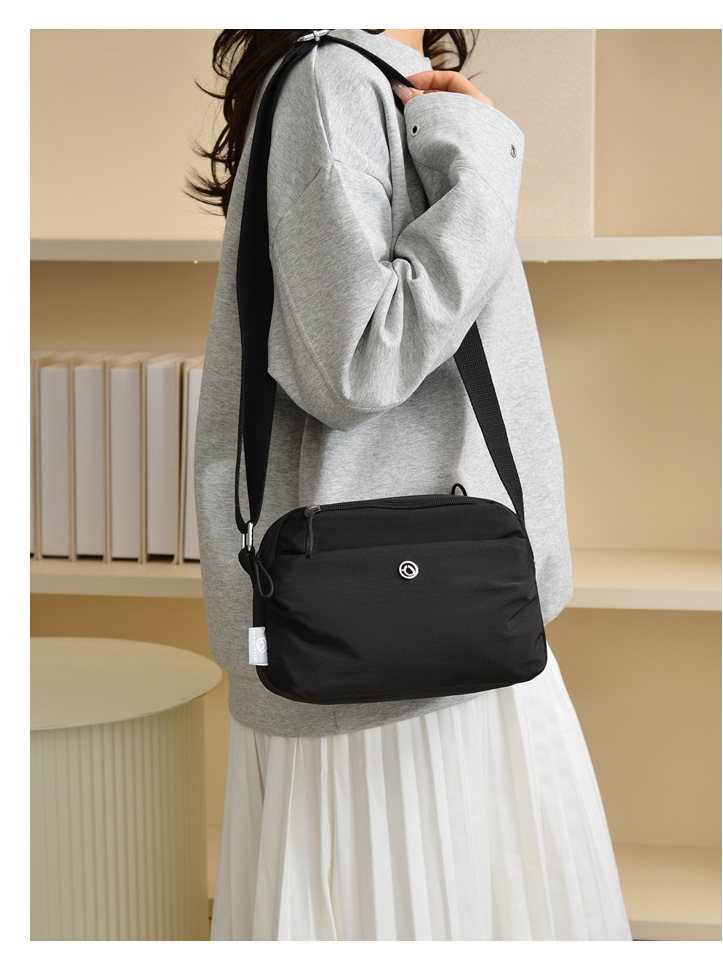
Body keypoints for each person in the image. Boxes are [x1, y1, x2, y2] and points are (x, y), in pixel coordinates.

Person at [188, 28, 632, 941]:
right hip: (390, 688)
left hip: (441, 640)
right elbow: (361, 361)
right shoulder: (332, 82)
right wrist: (483, 159)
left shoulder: (375, 87)